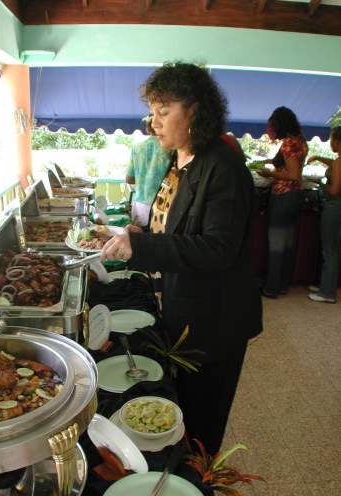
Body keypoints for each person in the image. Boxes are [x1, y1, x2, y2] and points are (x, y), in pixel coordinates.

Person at [101, 63, 262, 456]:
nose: (154, 122)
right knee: (183, 406)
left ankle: (197, 486)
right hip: (184, 304)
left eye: (164, 110)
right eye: (152, 112)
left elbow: (217, 248)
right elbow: (178, 229)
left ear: (195, 109)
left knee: (203, 419)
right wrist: (143, 235)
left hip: (214, 321)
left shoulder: (224, 168)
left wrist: (142, 249)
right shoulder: (183, 160)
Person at [257, 107, 308, 298]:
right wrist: (273, 161)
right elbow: (292, 166)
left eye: (272, 125)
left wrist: (269, 173)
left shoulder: (288, 142)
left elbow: (293, 175)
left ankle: (271, 288)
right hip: (296, 197)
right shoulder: (300, 140)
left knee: (276, 245)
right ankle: (283, 284)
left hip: (283, 195)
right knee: (287, 244)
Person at [306, 126, 341, 303]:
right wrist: (319, 157)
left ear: (337, 141)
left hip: (334, 207)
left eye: (331, 139)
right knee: (334, 249)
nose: (330, 143)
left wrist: (319, 182)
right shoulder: (337, 160)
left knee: (329, 251)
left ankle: (327, 293)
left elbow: (334, 190)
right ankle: (327, 284)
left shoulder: (338, 162)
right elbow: (334, 163)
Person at [126, 117, 171, 226]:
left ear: (148, 129)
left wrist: (143, 176)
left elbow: (129, 179)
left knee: (137, 240)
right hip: (161, 204)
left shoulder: (137, 148)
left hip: (140, 203)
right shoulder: (170, 148)